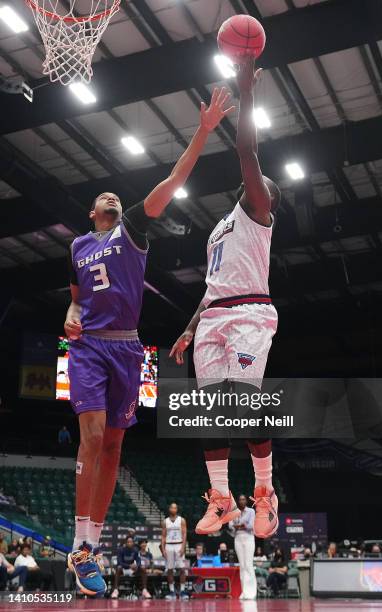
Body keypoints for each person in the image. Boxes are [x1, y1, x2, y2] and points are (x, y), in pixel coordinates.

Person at [64, 88, 234, 597]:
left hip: (128, 348)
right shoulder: (76, 246)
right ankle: (78, 544)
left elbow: (173, 180)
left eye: (117, 196)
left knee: (115, 447)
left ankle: (89, 547)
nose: (113, 198)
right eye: (104, 197)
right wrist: (72, 314)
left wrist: (203, 130)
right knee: (92, 438)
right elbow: (74, 300)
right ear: (92, 212)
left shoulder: (133, 228)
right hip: (90, 346)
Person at [170, 56, 280, 539]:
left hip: (250, 314)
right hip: (213, 317)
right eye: (259, 187)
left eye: (265, 188)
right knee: (207, 413)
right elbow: (212, 285)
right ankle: (221, 501)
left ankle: (263, 493)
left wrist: (247, 94)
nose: (262, 189)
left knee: (241, 404)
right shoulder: (220, 228)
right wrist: (191, 326)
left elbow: (248, 154)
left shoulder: (258, 213)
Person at [229, 494, 256, 600]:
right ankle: (244, 592)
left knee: (249, 564)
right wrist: (242, 525)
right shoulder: (234, 512)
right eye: (240, 499)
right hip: (238, 538)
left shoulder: (251, 511)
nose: (241, 501)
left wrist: (239, 526)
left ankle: (252, 592)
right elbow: (230, 526)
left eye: (243, 499)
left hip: (248, 538)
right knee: (242, 565)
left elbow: (250, 526)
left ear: (246, 501)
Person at [161, 502, 188, 600]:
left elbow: (185, 534)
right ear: (169, 509)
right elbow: (163, 536)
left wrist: (183, 547)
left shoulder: (182, 520)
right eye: (171, 507)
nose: (173, 509)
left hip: (179, 544)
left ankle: (182, 591)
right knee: (170, 569)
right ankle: (172, 591)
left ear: (177, 509)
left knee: (182, 569)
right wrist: (163, 549)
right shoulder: (165, 521)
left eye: (175, 508)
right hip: (169, 546)